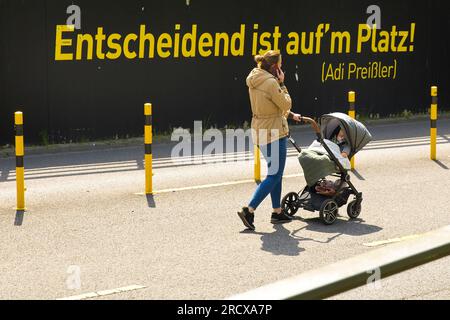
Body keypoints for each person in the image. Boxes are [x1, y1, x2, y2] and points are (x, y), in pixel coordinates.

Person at [237, 50, 301, 231]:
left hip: (259, 130)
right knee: (274, 174)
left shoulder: (254, 77)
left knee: (276, 172)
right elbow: (285, 103)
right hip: (274, 133)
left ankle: (277, 211)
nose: (282, 67)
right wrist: (283, 84)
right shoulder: (272, 83)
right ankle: (249, 209)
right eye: (280, 64)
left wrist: (289, 115)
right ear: (275, 67)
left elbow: (269, 105)